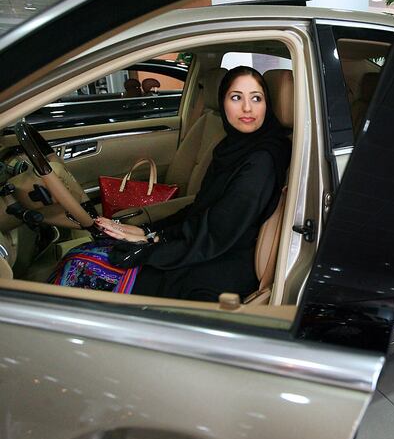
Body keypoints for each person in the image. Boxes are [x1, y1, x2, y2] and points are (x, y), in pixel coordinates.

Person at [51, 66, 292, 301]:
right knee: (84, 255)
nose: (247, 108)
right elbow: (202, 208)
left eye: (256, 98)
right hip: (203, 246)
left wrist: (152, 244)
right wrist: (149, 231)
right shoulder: (232, 148)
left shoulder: (262, 159)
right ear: (223, 103)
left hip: (223, 261)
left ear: (267, 104)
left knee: (82, 268)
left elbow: (219, 231)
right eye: (236, 97)